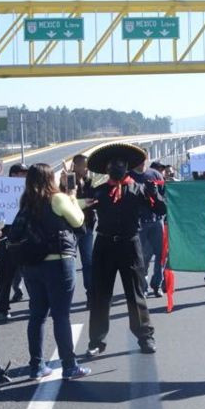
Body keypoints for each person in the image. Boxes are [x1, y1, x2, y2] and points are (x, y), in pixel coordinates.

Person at [13, 163, 91, 381]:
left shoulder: (25, 202)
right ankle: (69, 366)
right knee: (61, 315)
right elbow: (79, 220)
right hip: (58, 263)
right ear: (50, 179)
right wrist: (73, 196)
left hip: (31, 265)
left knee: (37, 315)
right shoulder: (57, 198)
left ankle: (36, 366)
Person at [83, 151, 165, 356]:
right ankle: (96, 341)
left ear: (127, 166)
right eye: (112, 164)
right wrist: (82, 195)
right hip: (104, 244)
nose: (116, 167)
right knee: (101, 295)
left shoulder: (139, 189)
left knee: (135, 293)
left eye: (120, 163)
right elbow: (81, 215)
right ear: (106, 169)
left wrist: (155, 194)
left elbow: (160, 209)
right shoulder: (99, 191)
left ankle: (145, 337)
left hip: (130, 244)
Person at [0, 163, 29, 324]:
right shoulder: (2, 190)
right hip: (8, 239)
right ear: (13, 175)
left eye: (25, 174)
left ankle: (38, 305)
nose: (24, 176)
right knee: (5, 277)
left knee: (31, 276)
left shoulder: (31, 192)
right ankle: (2, 309)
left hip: (27, 240)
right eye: (21, 173)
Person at [68, 154, 97, 306]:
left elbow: (93, 200)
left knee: (89, 262)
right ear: (76, 165)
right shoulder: (67, 181)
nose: (87, 169)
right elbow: (67, 201)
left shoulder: (89, 181)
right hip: (71, 229)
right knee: (69, 263)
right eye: (84, 166)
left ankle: (91, 295)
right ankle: (66, 297)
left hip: (87, 227)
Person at [137, 162, 170, 296]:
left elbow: (164, 196)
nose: (142, 162)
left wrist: (155, 192)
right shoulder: (130, 176)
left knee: (162, 255)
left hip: (156, 221)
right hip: (140, 224)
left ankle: (157, 285)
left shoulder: (154, 174)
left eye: (143, 159)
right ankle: (143, 287)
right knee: (142, 258)